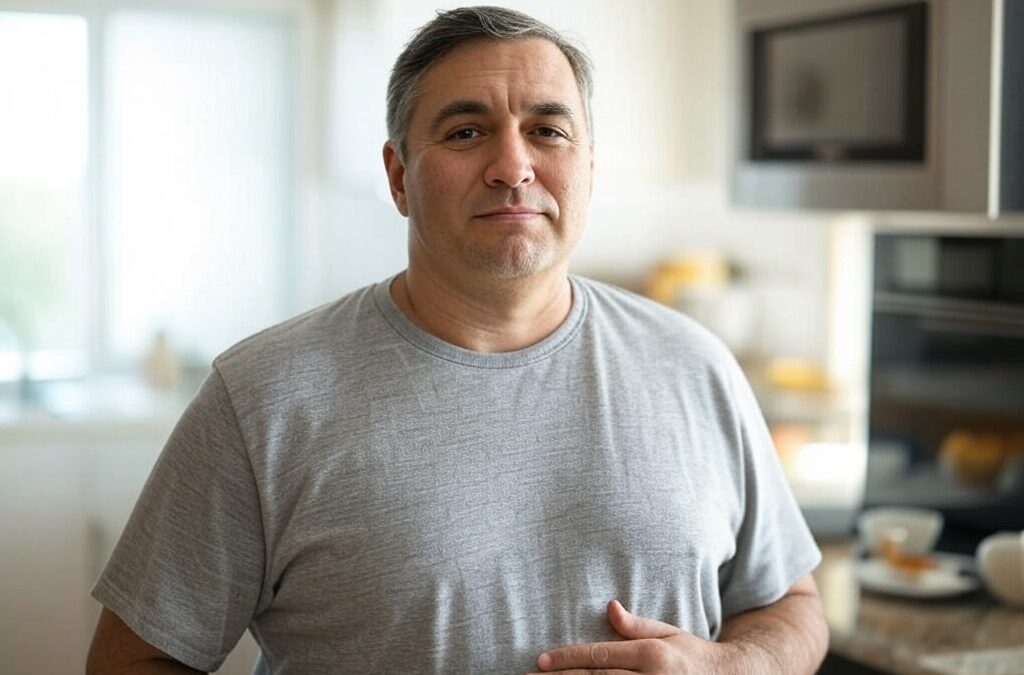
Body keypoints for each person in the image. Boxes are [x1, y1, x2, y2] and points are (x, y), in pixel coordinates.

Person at [87, 6, 828, 674]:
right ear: (399, 175)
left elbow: (790, 601)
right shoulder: (264, 397)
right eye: (466, 131)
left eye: (548, 130)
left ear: (588, 170)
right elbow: (133, 659)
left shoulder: (694, 365)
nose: (513, 167)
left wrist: (736, 666)